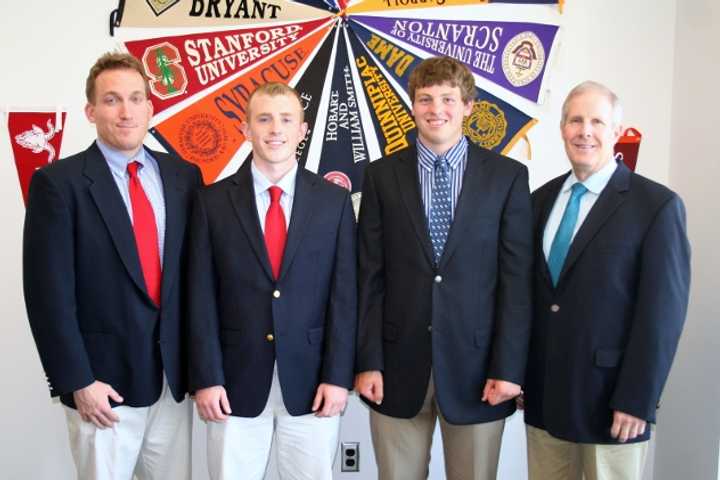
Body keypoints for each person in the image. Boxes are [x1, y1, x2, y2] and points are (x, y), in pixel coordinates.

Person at [23, 52, 202, 480]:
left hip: (172, 389)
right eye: (112, 100)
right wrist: (78, 381)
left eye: (136, 98)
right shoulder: (58, 184)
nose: (126, 111)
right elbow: (48, 295)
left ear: (150, 107)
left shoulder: (185, 177)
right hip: (102, 391)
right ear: (91, 110)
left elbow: (197, 281)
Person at [354, 56, 533, 480]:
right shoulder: (380, 176)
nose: (437, 109)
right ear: (412, 106)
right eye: (425, 99)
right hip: (394, 370)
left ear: (468, 106)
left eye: (449, 99)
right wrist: (367, 360)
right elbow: (369, 276)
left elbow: (516, 281)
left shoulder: (507, 177)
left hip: (479, 374)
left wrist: (508, 368)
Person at [187, 82, 357, 480]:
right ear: (245, 128)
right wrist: (207, 378)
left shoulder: (333, 203)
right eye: (263, 119)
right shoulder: (212, 203)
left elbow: (345, 296)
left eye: (286, 119)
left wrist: (337, 377)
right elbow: (200, 297)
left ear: (303, 130)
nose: (275, 129)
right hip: (233, 383)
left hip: (313, 382)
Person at [523, 81, 691, 480]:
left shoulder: (656, 206)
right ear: (562, 128)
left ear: (616, 131)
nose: (585, 131)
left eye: (597, 121)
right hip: (545, 398)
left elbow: (662, 315)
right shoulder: (538, 201)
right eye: (576, 120)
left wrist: (638, 397)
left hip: (615, 404)